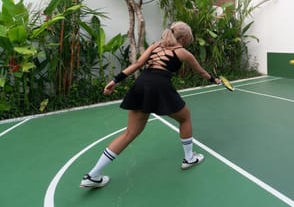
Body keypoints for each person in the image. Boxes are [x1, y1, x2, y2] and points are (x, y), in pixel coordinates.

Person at [80, 21, 220, 188]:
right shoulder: (183, 52)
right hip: (160, 86)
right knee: (185, 118)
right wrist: (214, 79)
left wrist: (114, 81)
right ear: (183, 37)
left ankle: (93, 175)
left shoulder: (155, 46)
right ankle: (189, 158)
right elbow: (200, 72)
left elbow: (137, 64)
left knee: (129, 133)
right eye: (189, 38)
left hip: (141, 84)